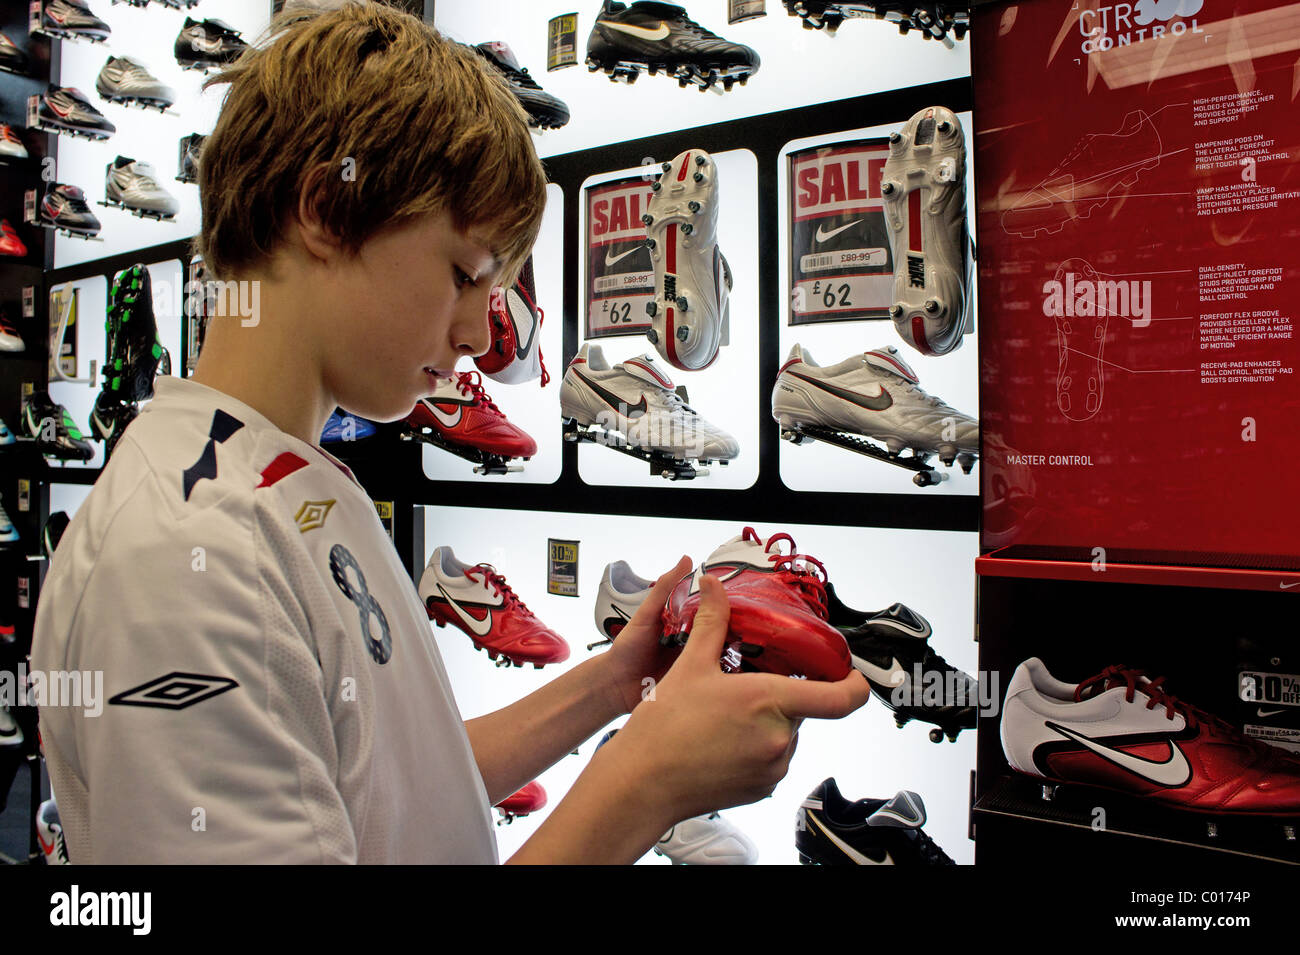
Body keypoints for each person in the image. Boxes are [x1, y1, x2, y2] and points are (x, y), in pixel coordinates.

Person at [31, 1, 869, 863]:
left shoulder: (282, 480)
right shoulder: (183, 563)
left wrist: (615, 684)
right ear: (325, 208)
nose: (478, 333)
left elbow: (388, 790)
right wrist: (650, 783)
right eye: (464, 274)